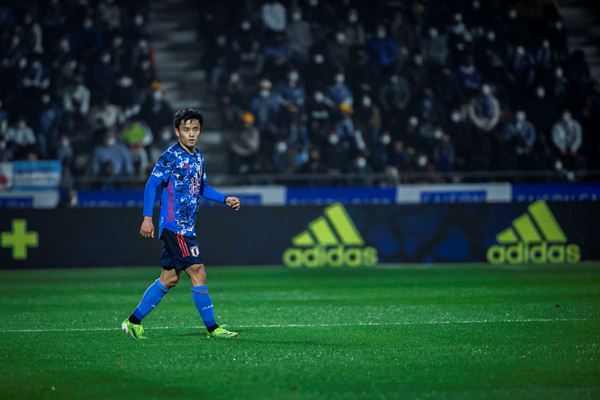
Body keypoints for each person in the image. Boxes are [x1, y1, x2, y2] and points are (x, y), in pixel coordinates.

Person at [121, 109, 241, 339]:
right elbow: (151, 185)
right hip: (175, 226)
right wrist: (147, 217)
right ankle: (213, 328)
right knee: (198, 272)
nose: (191, 134)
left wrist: (225, 199)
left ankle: (133, 321)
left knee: (169, 278)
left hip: (186, 226)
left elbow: (202, 187)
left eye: (195, 129)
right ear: (177, 132)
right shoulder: (170, 156)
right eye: (186, 130)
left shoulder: (199, 157)